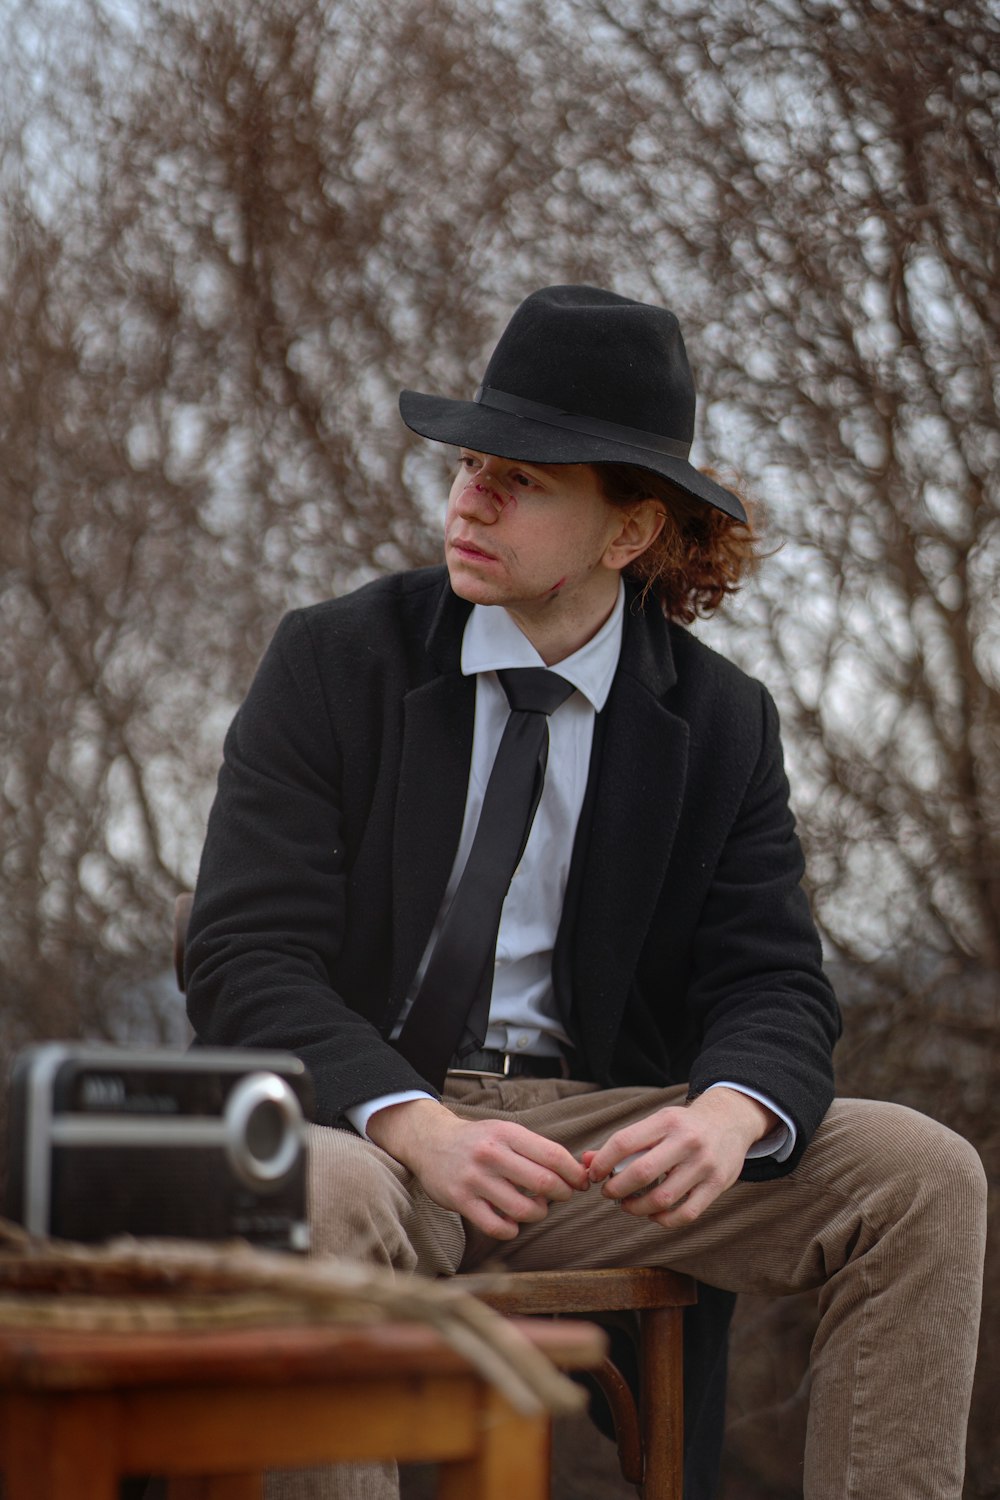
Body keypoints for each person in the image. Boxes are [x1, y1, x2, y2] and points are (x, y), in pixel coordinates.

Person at [185, 285, 986, 1500]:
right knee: (319, 1184)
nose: (469, 498)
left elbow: (772, 979)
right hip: (374, 1128)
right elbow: (244, 961)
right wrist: (418, 1126)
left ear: (627, 534)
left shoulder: (719, 723)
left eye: (523, 478)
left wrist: (727, 1114)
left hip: (599, 1148)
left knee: (922, 1175)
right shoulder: (334, 661)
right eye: (468, 465)